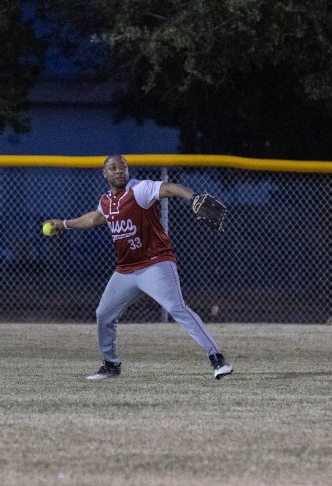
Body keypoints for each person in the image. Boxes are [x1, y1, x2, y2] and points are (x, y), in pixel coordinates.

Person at [45, 154, 233, 381]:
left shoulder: (139, 190)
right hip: (125, 269)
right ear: (104, 173)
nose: (118, 171)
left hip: (156, 262)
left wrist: (192, 197)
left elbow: (169, 188)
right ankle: (111, 365)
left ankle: (217, 358)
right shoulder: (106, 201)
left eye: (122, 167)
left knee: (176, 308)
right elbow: (94, 219)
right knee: (103, 314)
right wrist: (64, 224)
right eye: (113, 168)